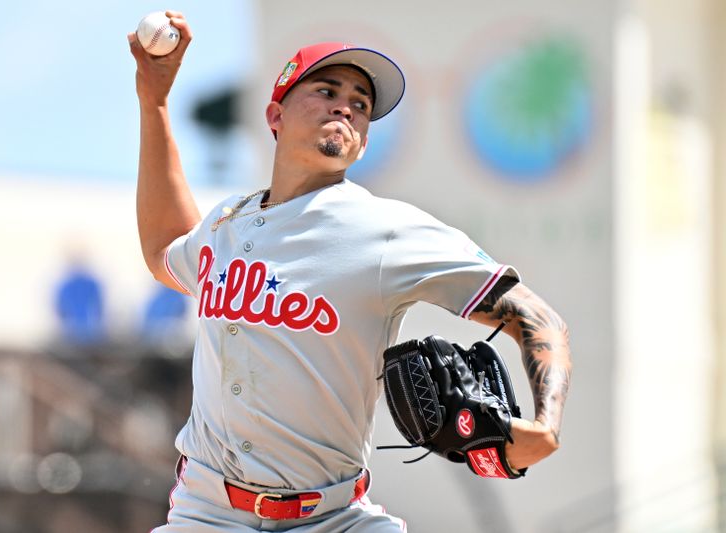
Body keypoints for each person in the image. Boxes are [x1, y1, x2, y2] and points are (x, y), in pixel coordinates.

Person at [128, 11, 571, 532]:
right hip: (207, 514)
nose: (346, 107)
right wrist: (154, 102)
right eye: (326, 91)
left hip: (334, 517)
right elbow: (165, 250)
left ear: (362, 140)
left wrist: (546, 424)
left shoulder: (385, 229)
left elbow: (537, 317)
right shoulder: (228, 221)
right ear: (275, 116)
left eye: (361, 105)